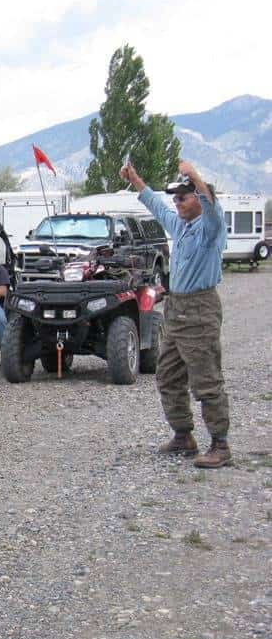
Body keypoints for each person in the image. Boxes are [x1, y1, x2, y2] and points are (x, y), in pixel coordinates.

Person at [121, 158, 231, 468]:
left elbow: (212, 205)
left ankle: (220, 445)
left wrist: (195, 175)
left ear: (198, 197)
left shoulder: (210, 228)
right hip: (177, 308)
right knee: (168, 375)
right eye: (176, 198)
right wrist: (135, 179)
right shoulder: (180, 226)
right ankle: (184, 436)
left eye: (183, 196)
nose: (177, 202)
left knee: (206, 379)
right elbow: (156, 205)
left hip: (200, 308)